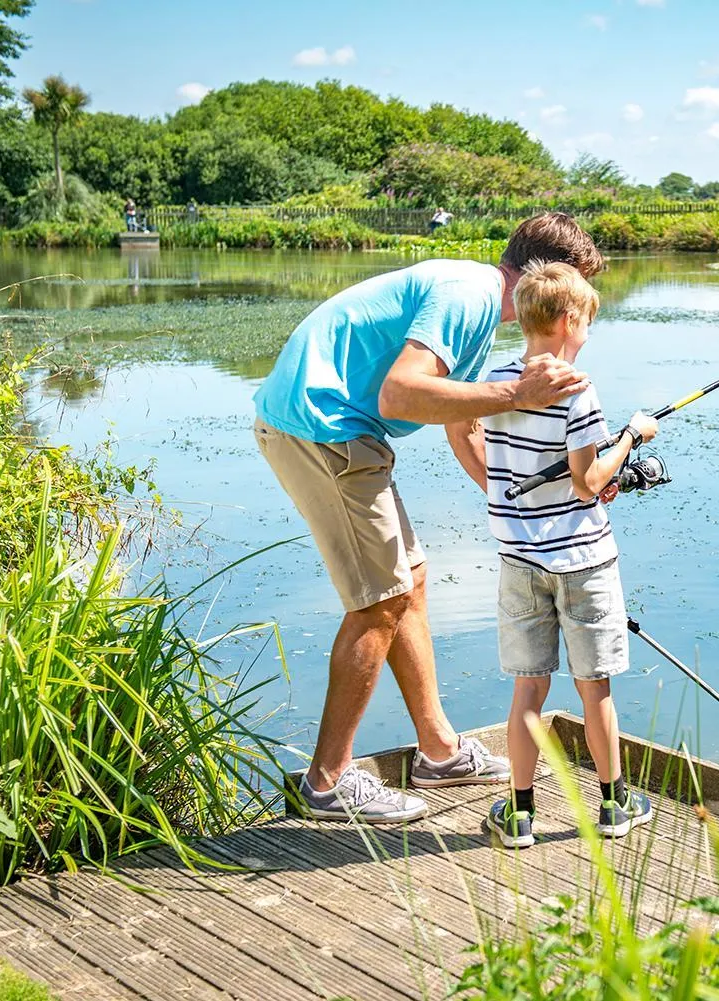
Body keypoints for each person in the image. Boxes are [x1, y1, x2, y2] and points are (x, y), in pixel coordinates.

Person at [253, 213, 606, 824]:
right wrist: (517, 396)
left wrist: (513, 496)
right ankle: (327, 783)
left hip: (336, 429)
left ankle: (439, 752)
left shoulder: (474, 307)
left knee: (409, 580)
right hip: (323, 428)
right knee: (379, 601)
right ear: (551, 285)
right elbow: (401, 394)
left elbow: (456, 418)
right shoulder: (467, 296)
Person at [457, 260, 657, 849]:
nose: (589, 333)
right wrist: (631, 437)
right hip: (584, 562)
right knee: (595, 687)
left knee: (528, 689)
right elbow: (587, 482)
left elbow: (474, 431)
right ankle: (615, 806)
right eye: (589, 322)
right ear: (570, 321)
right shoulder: (578, 388)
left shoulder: (498, 380)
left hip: (519, 560)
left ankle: (519, 815)